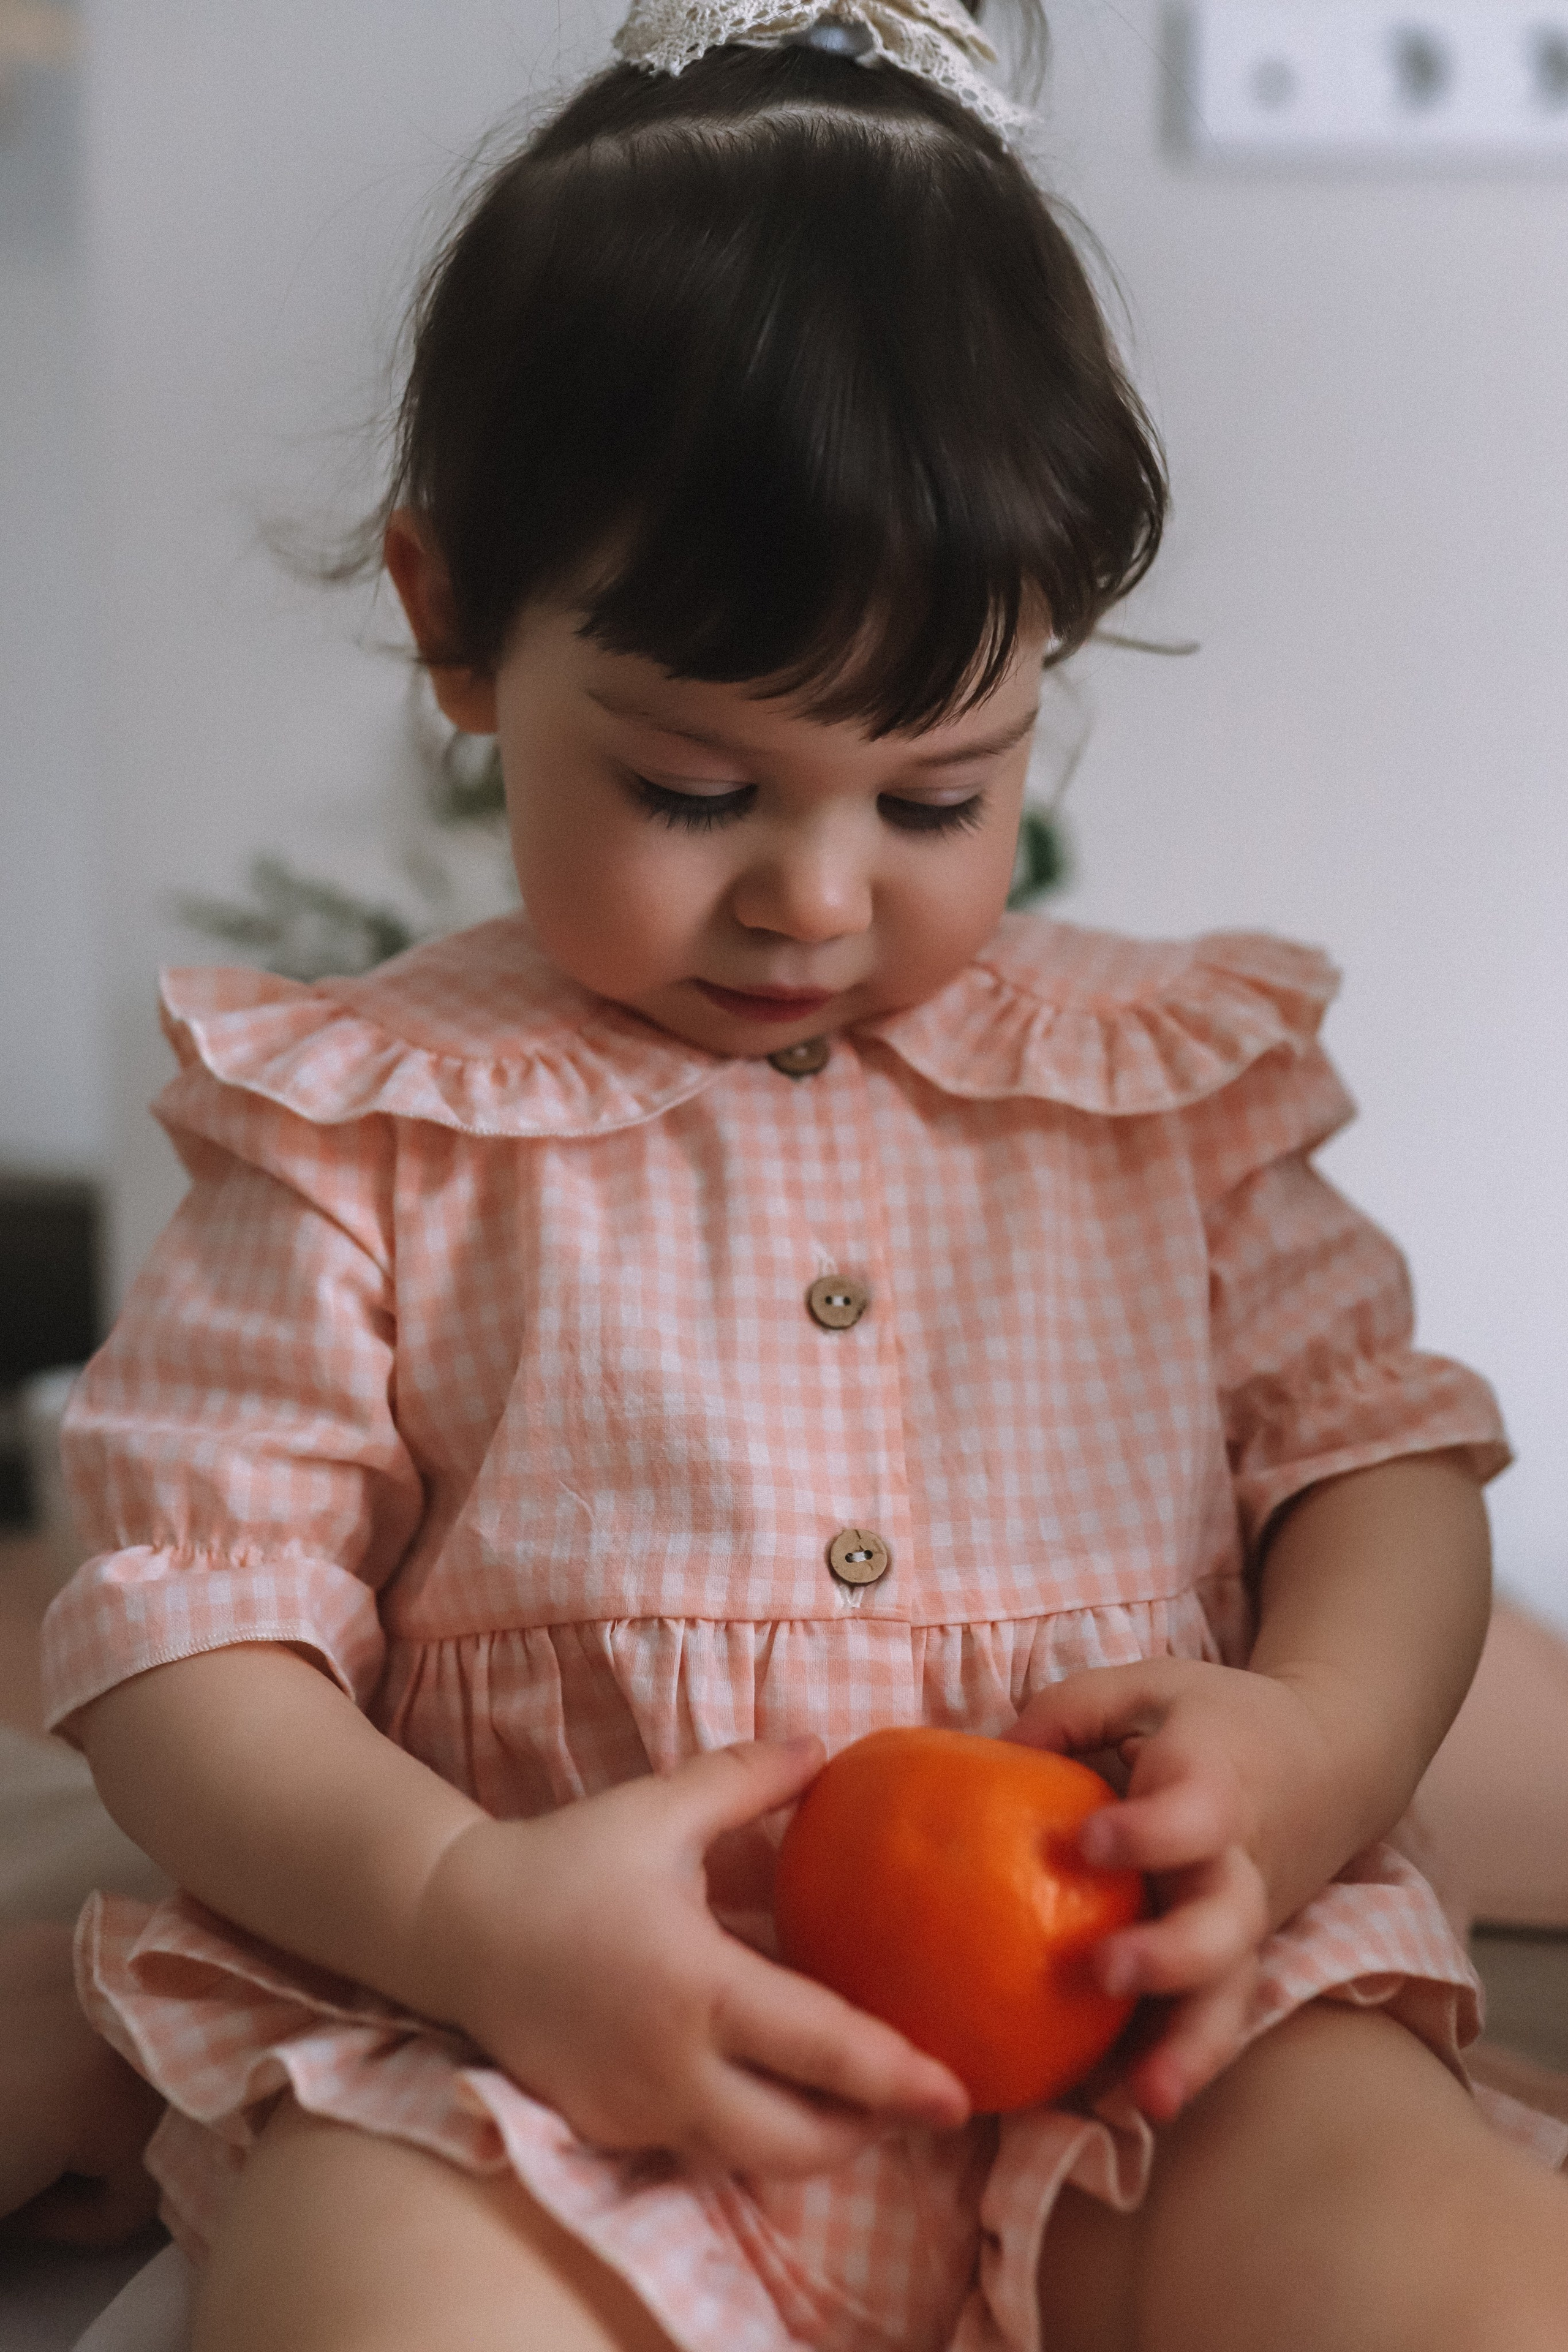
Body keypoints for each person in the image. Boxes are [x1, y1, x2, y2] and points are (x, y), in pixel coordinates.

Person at [36, 2, 1568, 2345]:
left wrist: (1306, 1749)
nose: (818, 899)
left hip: (1153, 2047)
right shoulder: (364, 1128)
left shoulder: (1160, 1085)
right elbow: (188, 1631)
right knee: (372, 2291)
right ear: (452, 622)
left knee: (1441, 2253)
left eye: (936, 795)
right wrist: (466, 1909)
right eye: (691, 789)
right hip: (550, 2072)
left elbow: (1379, 1461)